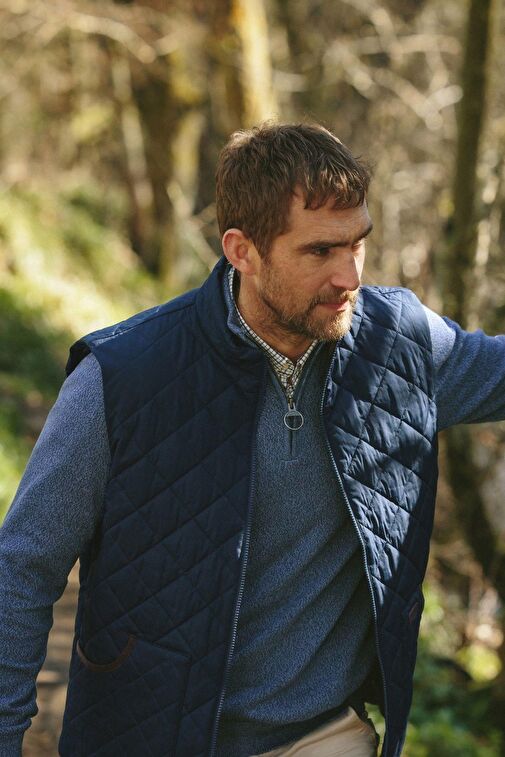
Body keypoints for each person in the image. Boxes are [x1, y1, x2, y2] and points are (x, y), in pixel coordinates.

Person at [0, 122, 504, 757]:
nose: (349, 275)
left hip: (324, 735)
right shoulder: (124, 378)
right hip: (152, 738)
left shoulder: (396, 345)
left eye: (358, 244)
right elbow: (23, 566)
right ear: (242, 250)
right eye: (320, 251)